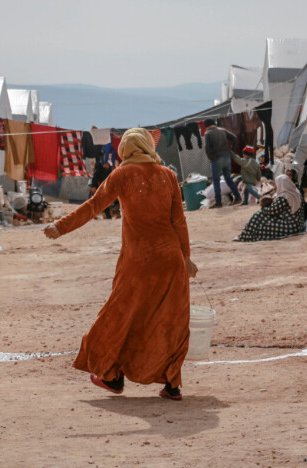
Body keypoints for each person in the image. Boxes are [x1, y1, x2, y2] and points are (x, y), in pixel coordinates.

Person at [43, 128, 198, 401]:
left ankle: (112, 376)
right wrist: (186, 259)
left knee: (117, 318)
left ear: (126, 150)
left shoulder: (121, 175)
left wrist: (60, 227)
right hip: (170, 261)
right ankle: (172, 384)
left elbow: (93, 206)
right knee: (170, 321)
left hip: (138, 263)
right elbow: (179, 222)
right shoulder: (168, 176)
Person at [234, 174, 305, 242]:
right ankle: (246, 234)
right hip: (298, 224)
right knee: (262, 217)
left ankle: (244, 236)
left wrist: (263, 208)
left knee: (259, 215)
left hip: (289, 226)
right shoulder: (296, 192)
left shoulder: (285, 197)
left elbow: (272, 211)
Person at [203, 118, 242, 208]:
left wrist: (211, 159)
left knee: (216, 181)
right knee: (228, 178)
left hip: (216, 159)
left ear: (206, 126)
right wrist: (232, 150)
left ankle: (218, 203)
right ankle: (238, 197)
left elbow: (207, 149)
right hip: (226, 157)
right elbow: (234, 138)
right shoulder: (222, 130)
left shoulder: (207, 133)